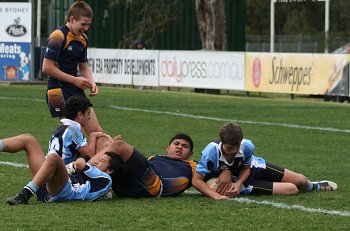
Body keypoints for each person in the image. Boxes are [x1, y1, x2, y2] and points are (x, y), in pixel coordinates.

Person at [192, 122, 337, 200]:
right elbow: (196, 180)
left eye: (237, 146)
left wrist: (238, 182)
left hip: (255, 168)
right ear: (222, 142)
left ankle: (315, 186)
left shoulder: (247, 146)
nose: (235, 150)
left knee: (300, 180)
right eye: (230, 147)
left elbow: (247, 168)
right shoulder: (211, 152)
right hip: (247, 184)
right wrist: (218, 196)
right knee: (292, 189)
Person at [0, 134, 122, 205]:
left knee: (54, 157)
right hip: (52, 186)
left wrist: (92, 138)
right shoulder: (96, 175)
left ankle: (24, 195)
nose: (96, 161)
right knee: (28, 139)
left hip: (64, 192)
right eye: (99, 158)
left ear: (110, 170)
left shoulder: (105, 178)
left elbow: (80, 163)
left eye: (101, 161)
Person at [42, 1, 102, 134]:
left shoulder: (83, 39)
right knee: (75, 133)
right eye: (83, 24)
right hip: (56, 91)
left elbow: (83, 66)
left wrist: (91, 82)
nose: (86, 28)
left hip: (74, 89)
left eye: (88, 24)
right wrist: (74, 80)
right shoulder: (58, 36)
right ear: (72, 19)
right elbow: (46, 67)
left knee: (96, 132)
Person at [95, 133, 197, 198]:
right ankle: (92, 184)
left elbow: (208, 173)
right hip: (128, 186)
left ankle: (84, 172)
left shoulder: (192, 165)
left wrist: (116, 147)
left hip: (153, 183)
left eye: (184, 146)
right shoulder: (154, 158)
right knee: (101, 140)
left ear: (190, 154)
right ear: (168, 147)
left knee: (119, 145)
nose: (179, 147)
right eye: (176, 144)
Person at [49, 95, 110, 165]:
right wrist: (92, 136)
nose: (89, 117)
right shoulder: (74, 130)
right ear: (80, 115)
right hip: (63, 171)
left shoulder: (61, 128)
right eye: (88, 113)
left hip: (50, 167)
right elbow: (89, 155)